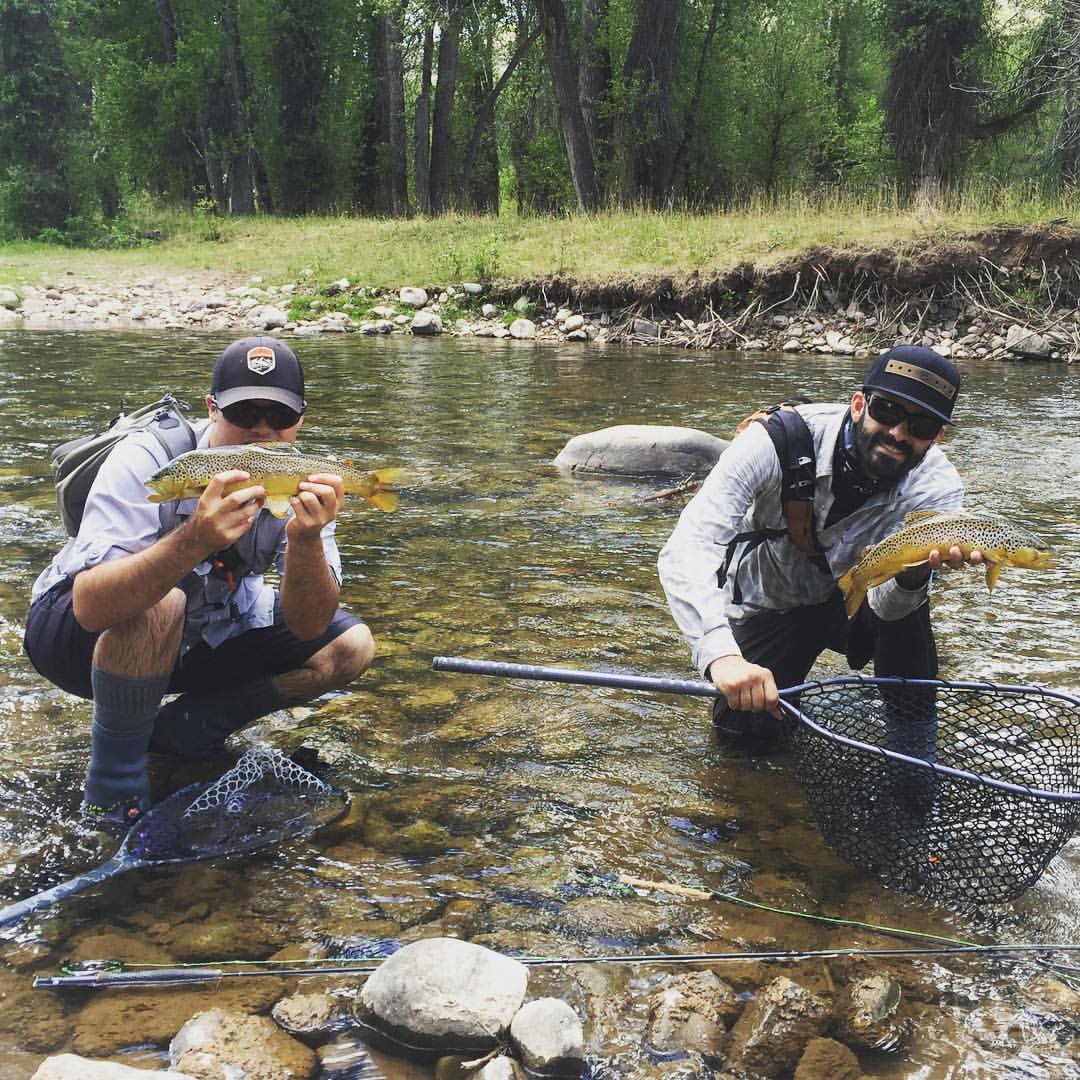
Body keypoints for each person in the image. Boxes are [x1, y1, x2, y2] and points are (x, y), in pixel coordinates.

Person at [24, 337, 375, 835]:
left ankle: (184, 732)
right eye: (243, 412)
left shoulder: (300, 476)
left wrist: (306, 538)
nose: (261, 429)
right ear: (211, 407)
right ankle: (113, 792)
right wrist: (194, 540)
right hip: (75, 636)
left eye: (278, 416)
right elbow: (89, 602)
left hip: (204, 630)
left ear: (300, 419)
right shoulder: (149, 458)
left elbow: (308, 624)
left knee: (350, 647)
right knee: (160, 604)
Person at [658, 345, 982, 749]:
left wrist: (914, 574)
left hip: (867, 603)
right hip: (777, 603)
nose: (898, 433)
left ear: (937, 436)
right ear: (859, 404)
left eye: (920, 426)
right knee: (743, 733)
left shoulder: (937, 489)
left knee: (911, 621)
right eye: (887, 411)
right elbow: (689, 547)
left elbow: (887, 607)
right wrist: (721, 656)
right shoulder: (773, 442)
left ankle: (913, 755)